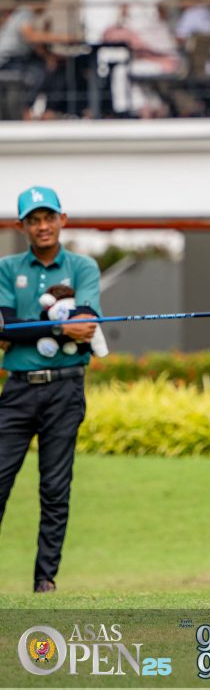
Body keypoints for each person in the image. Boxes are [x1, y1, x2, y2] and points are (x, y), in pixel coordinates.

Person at [0, 186, 101, 592]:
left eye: (49, 218)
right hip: (18, 391)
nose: (42, 226)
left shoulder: (83, 267)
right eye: (34, 220)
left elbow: (87, 324)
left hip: (65, 389)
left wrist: (26, 330)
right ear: (22, 226)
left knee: (55, 488)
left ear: (63, 220)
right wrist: (60, 326)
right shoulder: (7, 268)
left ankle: (45, 579)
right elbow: (6, 327)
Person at [0, 0, 73, 119]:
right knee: (39, 73)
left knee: (52, 67)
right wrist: (62, 37)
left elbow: (34, 45)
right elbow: (30, 36)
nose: (45, 8)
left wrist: (49, 55)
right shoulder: (25, 12)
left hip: (17, 58)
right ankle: (28, 110)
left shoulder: (22, 14)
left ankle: (46, 110)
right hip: (9, 60)